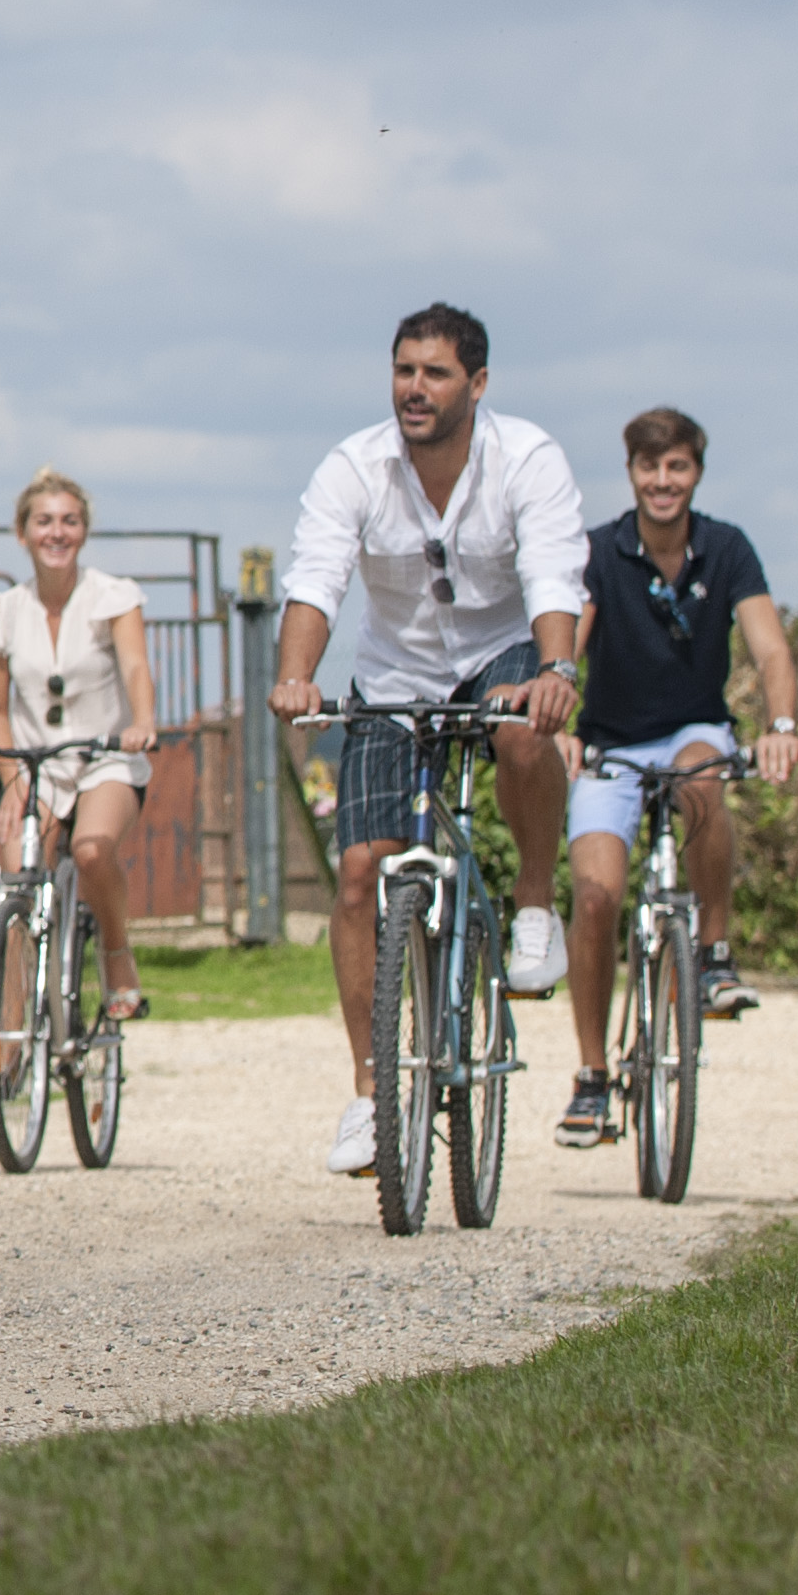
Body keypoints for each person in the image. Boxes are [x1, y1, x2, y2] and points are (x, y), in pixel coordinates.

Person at [266, 304, 587, 1182]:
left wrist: (556, 666)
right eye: (404, 370)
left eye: (435, 373)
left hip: (504, 653)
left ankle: (530, 905)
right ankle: (373, 1096)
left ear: (476, 385)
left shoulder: (527, 458)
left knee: (525, 731)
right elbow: (317, 578)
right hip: (396, 673)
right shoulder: (355, 467)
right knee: (363, 871)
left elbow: (554, 570)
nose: (415, 388)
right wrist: (298, 676)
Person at [553, 406, 798, 1147]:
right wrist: (560, 731)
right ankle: (593, 1077)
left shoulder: (726, 550)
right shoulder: (600, 551)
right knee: (595, 898)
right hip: (612, 744)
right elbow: (569, 646)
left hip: (693, 731)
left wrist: (781, 730)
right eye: (649, 467)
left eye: (677, 467)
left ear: (696, 471)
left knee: (703, 776)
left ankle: (714, 954)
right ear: (631, 472)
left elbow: (772, 650)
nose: (663, 482)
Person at [0, 468, 158, 1065]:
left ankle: (117, 958)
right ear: (22, 533)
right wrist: (13, 777)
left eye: (69, 521)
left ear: (84, 531)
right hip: (35, 765)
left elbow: (133, 668)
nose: (57, 532)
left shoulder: (112, 598)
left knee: (94, 850)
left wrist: (142, 719)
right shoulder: (1, 614)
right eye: (44, 521)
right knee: (19, 883)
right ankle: (11, 1033)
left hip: (102, 758)